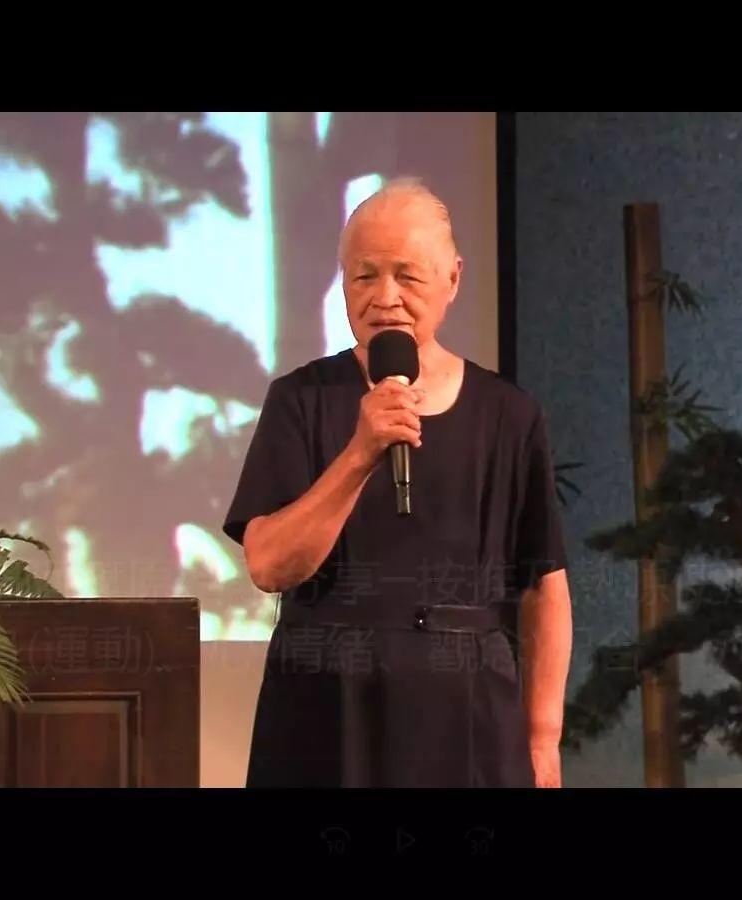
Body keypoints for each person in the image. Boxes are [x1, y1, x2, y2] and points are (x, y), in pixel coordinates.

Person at [222, 177, 573, 788]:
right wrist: (360, 452)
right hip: (326, 706)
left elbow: (544, 588)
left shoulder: (509, 415)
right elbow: (270, 565)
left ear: (453, 279)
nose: (384, 297)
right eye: (364, 276)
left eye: (407, 276)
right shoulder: (301, 400)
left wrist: (543, 738)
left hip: (466, 709)